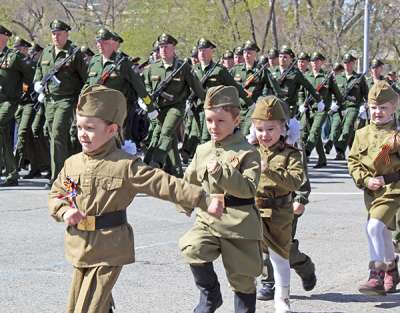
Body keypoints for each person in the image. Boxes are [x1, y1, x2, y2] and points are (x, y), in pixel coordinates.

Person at [48, 85, 220, 313]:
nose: (82, 133)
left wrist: (203, 199)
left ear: (111, 130)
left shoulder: (125, 165)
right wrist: (64, 211)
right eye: (79, 126)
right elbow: (61, 193)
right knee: (79, 305)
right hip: (79, 245)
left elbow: (163, 183)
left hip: (110, 246)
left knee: (87, 308)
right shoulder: (73, 164)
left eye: (90, 127)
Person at [177, 85, 262, 313]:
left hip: (240, 223)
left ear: (236, 120)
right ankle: (210, 296)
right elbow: (190, 179)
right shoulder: (203, 149)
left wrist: (221, 173)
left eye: (221, 121)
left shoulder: (248, 152)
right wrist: (184, 203)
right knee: (192, 246)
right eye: (209, 120)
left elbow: (248, 188)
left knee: (242, 278)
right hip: (209, 218)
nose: (214, 127)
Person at [251, 96, 304, 313]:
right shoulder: (249, 151)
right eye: (260, 129)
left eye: (271, 129)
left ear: (283, 127)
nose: (265, 135)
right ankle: (249, 291)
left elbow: (296, 180)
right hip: (253, 210)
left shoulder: (291, 154)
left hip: (280, 212)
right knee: (253, 254)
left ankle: (282, 299)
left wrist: (269, 170)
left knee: (279, 256)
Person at [348, 80, 400, 296]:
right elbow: (353, 162)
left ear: (394, 108)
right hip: (372, 191)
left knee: (373, 228)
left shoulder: (396, 136)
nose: (378, 112)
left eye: (383, 108)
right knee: (384, 232)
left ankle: (376, 274)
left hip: (394, 190)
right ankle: (391, 269)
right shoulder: (361, 134)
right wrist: (365, 180)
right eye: (374, 107)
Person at [33, 19, 87, 189]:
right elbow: (39, 73)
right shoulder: (47, 52)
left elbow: (86, 79)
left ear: (66, 34)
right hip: (49, 100)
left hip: (66, 100)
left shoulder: (74, 53)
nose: (56, 36)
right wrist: (37, 84)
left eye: (59, 33)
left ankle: (58, 177)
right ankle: (69, 170)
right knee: (52, 136)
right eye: (53, 33)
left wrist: (81, 100)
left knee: (57, 133)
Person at [143, 33, 205, 177]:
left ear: (173, 48)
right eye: (161, 47)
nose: (163, 50)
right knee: (163, 136)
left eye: (166, 47)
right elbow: (145, 90)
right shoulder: (152, 68)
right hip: (158, 108)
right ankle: (176, 171)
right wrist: (147, 105)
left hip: (176, 107)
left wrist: (208, 104)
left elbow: (197, 88)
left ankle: (155, 162)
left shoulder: (183, 66)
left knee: (166, 131)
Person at [0, 25, 33, 187]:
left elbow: (31, 75)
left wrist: (24, 91)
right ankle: (12, 174)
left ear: (4, 38)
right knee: (5, 137)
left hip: (9, 101)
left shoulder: (14, 57)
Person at [230, 40, 282, 135]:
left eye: (249, 53)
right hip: (237, 109)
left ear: (255, 54)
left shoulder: (262, 70)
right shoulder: (236, 69)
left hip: (253, 108)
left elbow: (276, 89)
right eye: (245, 52)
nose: (246, 55)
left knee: (245, 134)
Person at [303, 52, 343, 168]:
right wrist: (302, 103)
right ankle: (322, 159)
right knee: (315, 135)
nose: (314, 63)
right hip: (309, 109)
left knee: (314, 131)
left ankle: (306, 152)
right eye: (313, 61)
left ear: (321, 62)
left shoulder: (327, 77)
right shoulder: (307, 76)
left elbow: (338, 94)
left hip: (322, 109)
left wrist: (338, 105)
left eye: (317, 61)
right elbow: (302, 92)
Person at [335, 53, 369, 160]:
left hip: (353, 107)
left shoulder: (359, 78)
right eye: (345, 62)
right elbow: (332, 92)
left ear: (353, 63)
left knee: (347, 127)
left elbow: (366, 94)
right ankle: (351, 146)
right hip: (339, 107)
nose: (347, 65)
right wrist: (331, 103)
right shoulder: (338, 77)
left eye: (349, 62)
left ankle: (340, 151)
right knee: (335, 130)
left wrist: (365, 105)